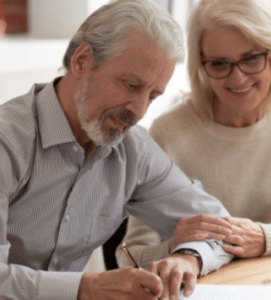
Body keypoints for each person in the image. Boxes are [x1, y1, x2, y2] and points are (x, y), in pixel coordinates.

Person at [0, 0, 235, 299]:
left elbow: (221, 229)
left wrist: (188, 258)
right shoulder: (7, 142)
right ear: (82, 61)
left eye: (152, 95)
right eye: (130, 85)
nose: (138, 111)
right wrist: (87, 287)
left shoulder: (133, 150)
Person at [116, 0, 271, 270]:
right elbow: (130, 257)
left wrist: (264, 238)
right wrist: (174, 248)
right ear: (201, 66)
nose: (237, 79)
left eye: (250, 59)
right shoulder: (168, 132)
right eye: (219, 64)